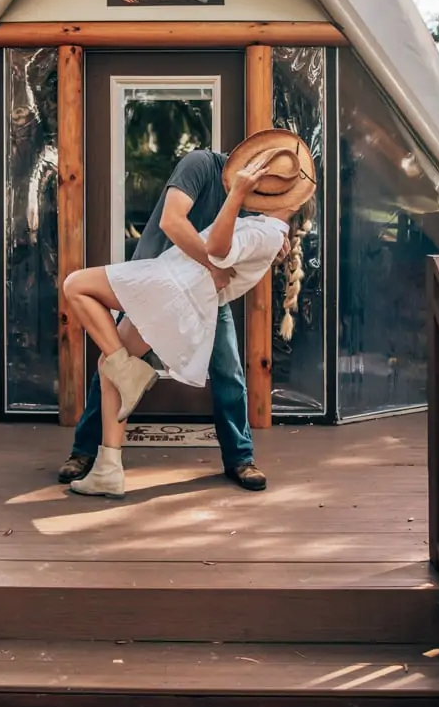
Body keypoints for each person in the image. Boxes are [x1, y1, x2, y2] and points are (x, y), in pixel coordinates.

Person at [60, 130, 317, 498]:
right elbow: (173, 222)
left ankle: (239, 457)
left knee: (223, 370)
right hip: (160, 273)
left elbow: (244, 244)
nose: (266, 180)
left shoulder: (257, 204)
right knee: (113, 361)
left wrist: (269, 242)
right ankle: (90, 455)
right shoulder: (201, 165)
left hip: (195, 292)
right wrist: (216, 263)